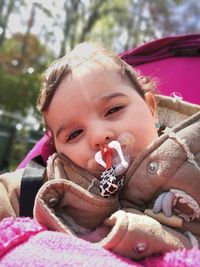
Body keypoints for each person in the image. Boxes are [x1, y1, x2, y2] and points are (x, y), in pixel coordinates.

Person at [0, 42, 200, 260]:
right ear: (59, 151)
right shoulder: (59, 183)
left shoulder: (191, 154)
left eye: (113, 110)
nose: (98, 136)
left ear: (151, 109)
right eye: (74, 134)